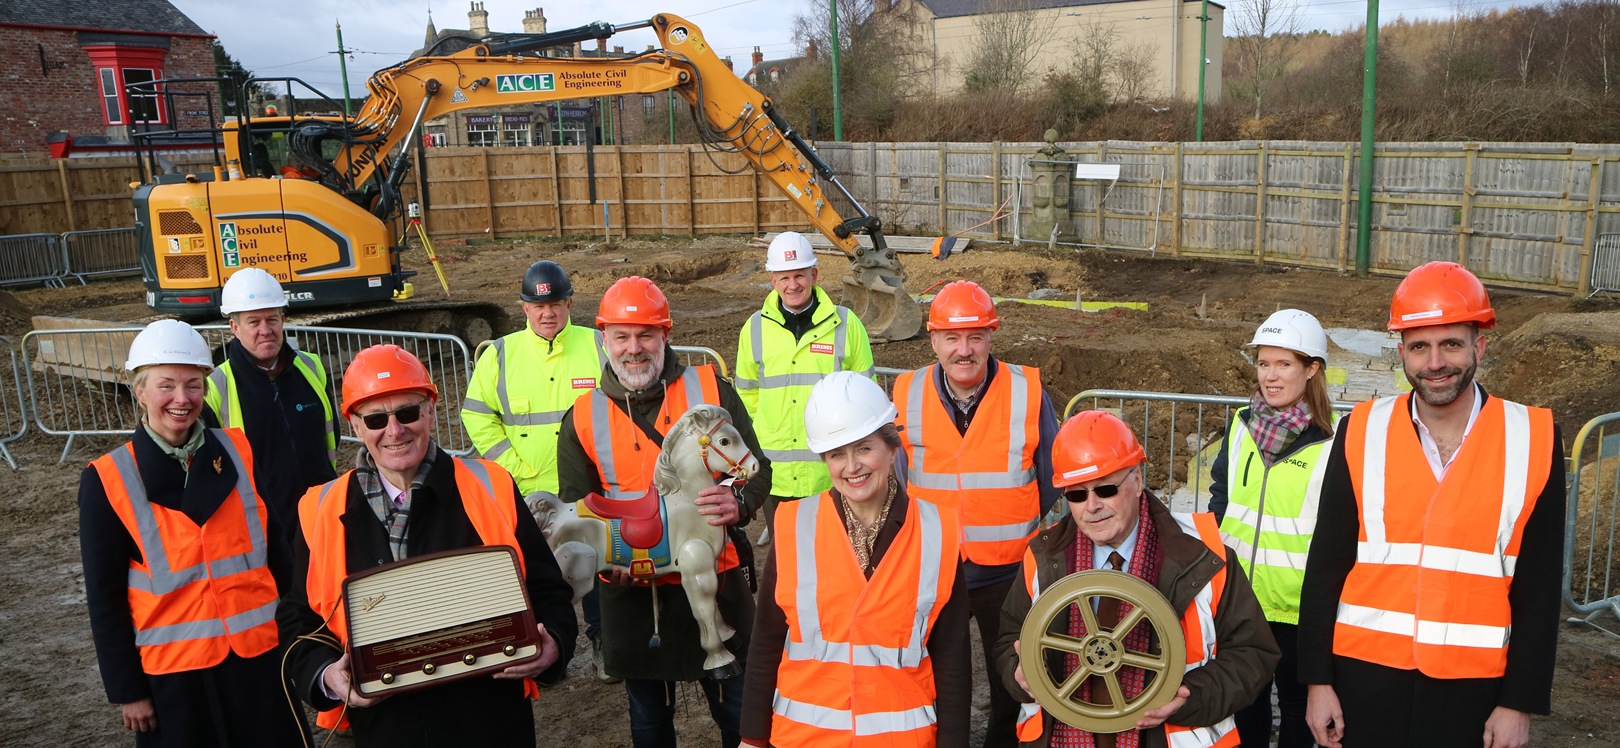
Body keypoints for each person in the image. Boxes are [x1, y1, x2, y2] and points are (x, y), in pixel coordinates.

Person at [1298, 262, 1564, 748]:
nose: (1435, 362)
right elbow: (1326, 564)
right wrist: (1318, 682)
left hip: (1474, 690)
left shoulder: (1533, 438)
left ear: (1479, 346)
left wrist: (1519, 701)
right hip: (1364, 678)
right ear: (1402, 352)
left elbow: (1540, 587)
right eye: (1420, 346)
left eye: (1451, 344)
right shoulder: (1360, 430)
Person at [278, 344, 578, 746]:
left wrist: (553, 644)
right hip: (386, 729)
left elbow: (548, 591)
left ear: (431, 411)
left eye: (407, 412)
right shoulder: (318, 509)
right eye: (376, 418)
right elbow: (301, 622)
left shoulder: (492, 486)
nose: (395, 430)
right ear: (354, 425)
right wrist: (325, 675)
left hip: (489, 722)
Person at [555, 275, 772, 748]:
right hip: (632, 597)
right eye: (622, 336)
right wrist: (610, 570)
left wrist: (737, 502)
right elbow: (577, 512)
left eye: (646, 335)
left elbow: (757, 469)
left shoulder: (710, 388)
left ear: (665, 334)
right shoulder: (581, 417)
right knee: (649, 722)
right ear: (604, 338)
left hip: (717, 580)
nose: (634, 349)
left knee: (741, 716)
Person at [78, 319, 309, 747]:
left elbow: (277, 554)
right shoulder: (108, 478)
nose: (182, 400)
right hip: (174, 678)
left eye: (193, 385)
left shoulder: (237, 452)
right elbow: (104, 597)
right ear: (140, 391)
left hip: (258, 662)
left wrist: (301, 643)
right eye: (166, 386)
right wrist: (129, 691)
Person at [995, 411, 1280, 748]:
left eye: (1105, 489)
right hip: (1063, 737)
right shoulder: (1043, 557)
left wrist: (1191, 697)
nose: (1092, 507)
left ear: (1137, 479)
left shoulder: (1204, 557)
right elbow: (1008, 641)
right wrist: (1019, 671)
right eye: (1076, 494)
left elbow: (1253, 654)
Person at [740, 371, 971, 747]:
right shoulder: (795, 525)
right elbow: (767, 637)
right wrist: (752, 737)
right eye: (836, 454)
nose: (852, 467)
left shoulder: (938, 531)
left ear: (892, 448)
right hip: (805, 738)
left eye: (864, 448)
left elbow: (952, 655)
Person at [892, 279, 1063, 748]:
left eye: (975, 337)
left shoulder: (1027, 392)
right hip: (934, 569)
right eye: (952, 337)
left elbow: (1050, 478)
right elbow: (900, 478)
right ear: (933, 340)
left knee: (1012, 681)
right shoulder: (906, 392)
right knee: (933, 679)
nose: (963, 350)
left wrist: (1009, 516)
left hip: (1007, 571)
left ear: (991, 336)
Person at [463, 260, 613, 680]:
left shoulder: (599, 345)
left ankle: (603, 644)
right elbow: (477, 416)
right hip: (526, 492)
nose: (547, 314)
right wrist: (513, 468)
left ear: (568, 303)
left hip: (587, 488)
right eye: (536, 305)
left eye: (555, 304)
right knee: (535, 575)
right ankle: (539, 653)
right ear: (524, 308)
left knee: (598, 566)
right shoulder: (499, 355)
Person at [1206, 309, 1340, 748]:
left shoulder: (1332, 446)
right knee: (1245, 702)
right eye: (1264, 363)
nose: (1271, 376)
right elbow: (1221, 495)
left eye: (1284, 364)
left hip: (1298, 609)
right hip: (1241, 600)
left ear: (1312, 369)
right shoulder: (1241, 427)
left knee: (1299, 709)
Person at [734, 231, 874, 546]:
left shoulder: (846, 324)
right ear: (772, 280)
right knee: (786, 563)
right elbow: (746, 398)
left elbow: (866, 396)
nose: (793, 285)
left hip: (833, 473)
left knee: (837, 558)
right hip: (775, 476)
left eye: (799, 275)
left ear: (814, 274)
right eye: (784, 278)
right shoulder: (754, 328)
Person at [204, 267, 337, 526]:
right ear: (235, 327)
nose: (265, 330)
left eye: (272, 320)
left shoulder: (311, 367)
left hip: (321, 514)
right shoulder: (216, 386)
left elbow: (330, 435)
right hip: (262, 526)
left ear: (283, 320)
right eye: (254, 322)